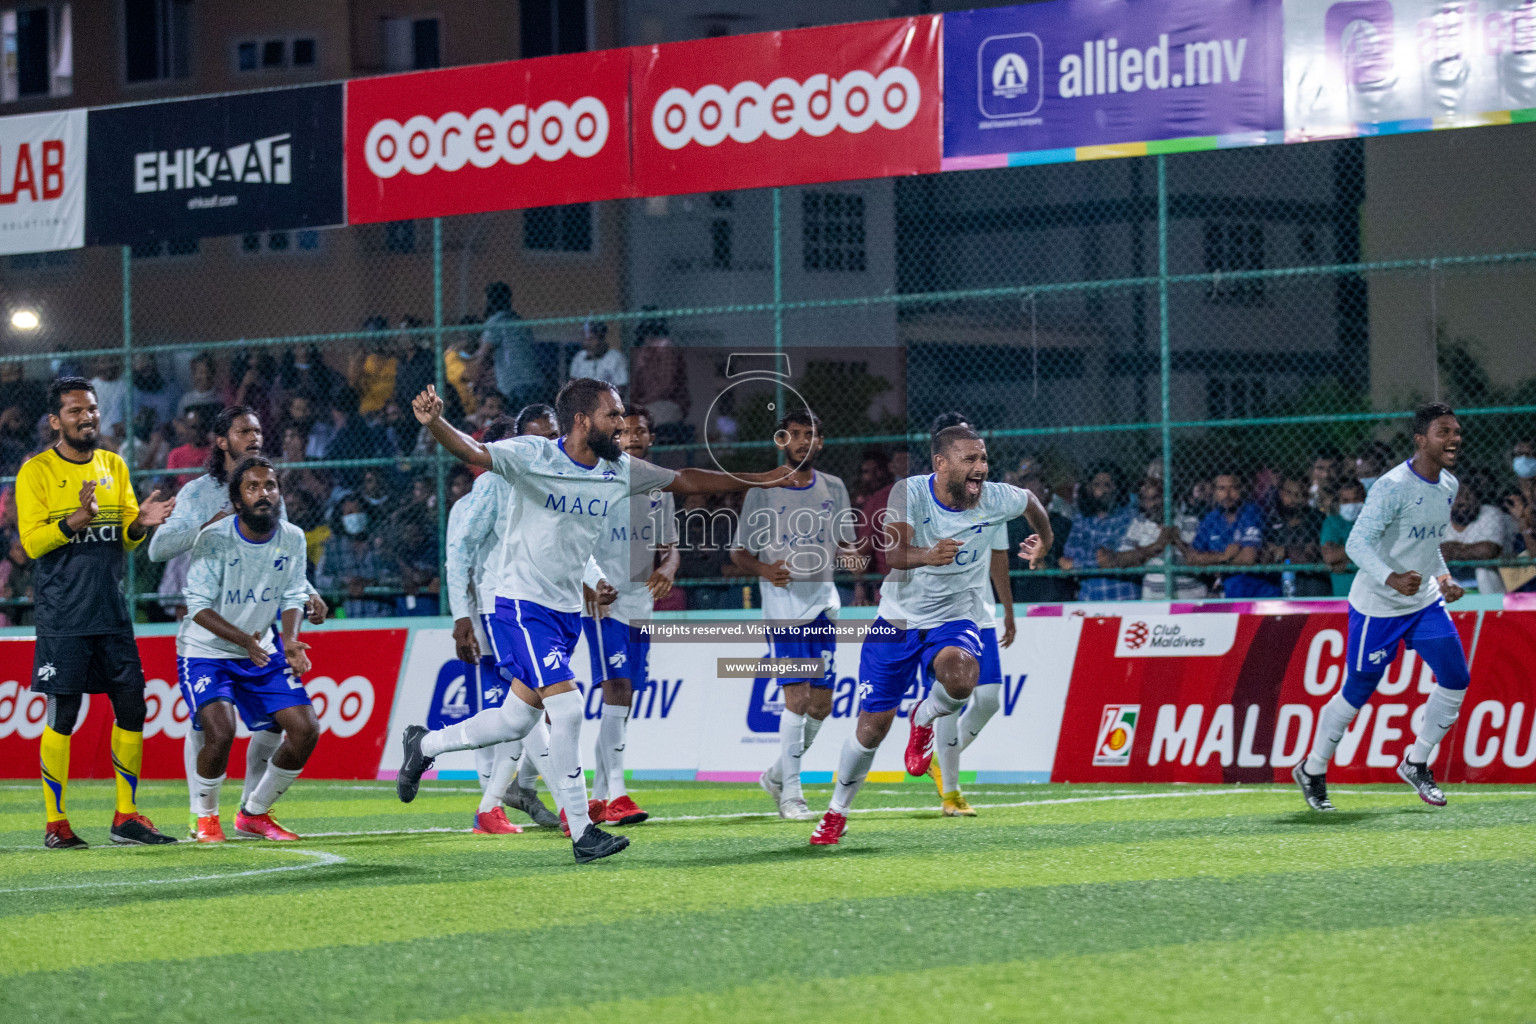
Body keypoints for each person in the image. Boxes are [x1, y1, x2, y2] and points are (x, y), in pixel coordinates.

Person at [393, 379, 794, 863]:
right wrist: (435, 421)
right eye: (613, 415)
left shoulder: (616, 469)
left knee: (514, 718)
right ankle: (584, 830)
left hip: (567, 612)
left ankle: (425, 743)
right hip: (520, 605)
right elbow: (475, 450)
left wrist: (762, 477)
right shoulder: (532, 455)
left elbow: (684, 478)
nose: (621, 424)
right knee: (567, 710)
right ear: (582, 420)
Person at [810, 425, 1051, 846]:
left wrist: (1044, 541)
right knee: (871, 729)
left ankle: (923, 717)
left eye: (983, 459)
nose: (981, 468)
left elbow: (1030, 502)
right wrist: (928, 555)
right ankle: (835, 813)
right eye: (970, 460)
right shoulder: (910, 493)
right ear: (941, 464)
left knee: (961, 677)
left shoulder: (994, 496)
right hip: (898, 621)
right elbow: (893, 555)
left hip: (955, 617)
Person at [148, 405, 327, 836]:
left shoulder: (267, 493)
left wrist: (306, 596)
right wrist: (207, 527)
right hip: (212, 626)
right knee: (214, 728)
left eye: (259, 429)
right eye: (245, 430)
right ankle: (202, 812)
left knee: (273, 727)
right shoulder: (197, 493)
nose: (256, 436)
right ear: (222, 440)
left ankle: (253, 810)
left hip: (257, 629)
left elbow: (285, 566)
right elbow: (158, 550)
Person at [17, 377, 177, 848]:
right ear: (55, 421)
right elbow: (31, 545)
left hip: (110, 609)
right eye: (74, 411)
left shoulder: (113, 465)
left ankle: (125, 816)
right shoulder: (36, 472)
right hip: (63, 613)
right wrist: (74, 521)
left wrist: (139, 526)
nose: (86, 417)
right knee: (63, 712)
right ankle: (56, 824)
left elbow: (123, 537)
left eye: (90, 409)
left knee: (132, 705)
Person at [1294, 403, 1472, 812]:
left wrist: (1442, 578)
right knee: (1358, 690)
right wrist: (1391, 579)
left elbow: (1428, 544)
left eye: (1456, 431)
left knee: (1456, 678)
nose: (1454, 438)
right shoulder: (1392, 486)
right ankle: (1313, 767)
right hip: (1378, 605)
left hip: (1423, 601)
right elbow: (1356, 544)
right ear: (1420, 439)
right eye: (1443, 432)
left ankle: (1416, 761)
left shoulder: (1448, 485)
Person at [179, 456, 321, 842]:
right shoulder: (214, 538)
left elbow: (294, 593)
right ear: (237, 500)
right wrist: (244, 640)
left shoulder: (292, 537)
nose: (264, 494)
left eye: (270, 486)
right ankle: (204, 817)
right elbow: (198, 608)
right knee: (221, 732)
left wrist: (290, 640)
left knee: (306, 730)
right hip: (206, 652)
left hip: (261, 650)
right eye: (253, 487)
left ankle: (254, 813)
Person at [730, 410, 856, 821]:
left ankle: (776, 775)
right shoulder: (762, 492)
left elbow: (846, 545)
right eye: (795, 435)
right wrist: (765, 569)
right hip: (783, 610)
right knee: (798, 699)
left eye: (811, 435)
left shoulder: (834, 488)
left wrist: (856, 555)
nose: (803, 441)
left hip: (823, 605)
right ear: (781, 441)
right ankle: (792, 795)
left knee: (821, 706)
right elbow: (738, 553)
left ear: (820, 443)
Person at [442, 415, 555, 833]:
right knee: (507, 709)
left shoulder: (539, 486)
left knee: (525, 711)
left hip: (530, 608)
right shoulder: (479, 495)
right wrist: (463, 619)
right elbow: (459, 561)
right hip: (493, 614)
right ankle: (501, 800)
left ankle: (513, 793)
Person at [578, 405, 679, 827]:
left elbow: (669, 546)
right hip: (603, 605)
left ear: (650, 439)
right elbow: (576, 542)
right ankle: (617, 793)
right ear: (614, 437)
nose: (633, 437)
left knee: (624, 698)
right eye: (625, 432)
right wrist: (593, 583)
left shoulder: (658, 488)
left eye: (641, 431)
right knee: (617, 689)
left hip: (641, 606)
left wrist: (669, 568)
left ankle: (598, 799)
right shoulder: (595, 481)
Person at [916, 413, 1014, 817]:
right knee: (953, 700)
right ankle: (952, 794)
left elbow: (999, 554)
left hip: (981, 611)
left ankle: (941, 761)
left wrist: (1008, 608)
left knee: (989, 699)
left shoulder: (988, 497)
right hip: (938, 615)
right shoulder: (923, 498)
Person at [1183, 472, 1278, 598]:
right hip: (1227, 594)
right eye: (1221, 488)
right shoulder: (1211, 519)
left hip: (1258, 595)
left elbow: (1248, 558)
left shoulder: (1251, 512)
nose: (1227, 494)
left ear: (1242, 489)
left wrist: (1210, 561)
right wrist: (1224, 556)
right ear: (1215, 492)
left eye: (1233, 488)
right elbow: (1191, 558)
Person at [1111, 477, 1199, 600]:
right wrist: (1155, 547)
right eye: (1145, 499)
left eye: (1155, 498)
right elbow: (1121, 560)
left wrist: (1178, 542)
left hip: (1189, 598)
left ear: (1169, 497)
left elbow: (1200, 561)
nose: (1150, 504)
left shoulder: (1190, 522)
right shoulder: (1139, 523)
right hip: (1152, 600)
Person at [1059, 464, 1137, 601]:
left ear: (1117, 488)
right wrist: (1103, 559)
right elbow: (1070, 553)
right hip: (1090, 597)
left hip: (1123, 596)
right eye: (1097, 485)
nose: (1103, 490)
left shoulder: (1128, 517)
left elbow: (1121, 556)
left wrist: (1079, 564)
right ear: (1089, 488)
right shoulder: (1081, 520)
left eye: (1108, 485)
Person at [1440, 469, 1514, 596]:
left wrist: (1451, 549)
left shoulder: (1490, 513)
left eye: (1467, 495)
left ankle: (1492, 610)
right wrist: (1471, 550)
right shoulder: (1440, 518)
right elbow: (1435, 553)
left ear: (1477, 497)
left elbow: (1488, 551)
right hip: (1451, 585)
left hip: (1486, 588)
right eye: (1457, 495)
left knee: (1483, 569)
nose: (1462, 501)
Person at [1007, 470, 1075, 602]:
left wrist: (1047, 563)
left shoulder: (1061, 524)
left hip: (1056, 592)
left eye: (1040, 490)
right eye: (1030, 490)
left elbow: (1067, 560)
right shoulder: (1012, 525)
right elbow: (1004, 559)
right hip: (1021, 593)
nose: (1035, 496)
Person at [1263, 474, 1331, 596]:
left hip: (1312, 583)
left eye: (1299, 494)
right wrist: (1290, 552)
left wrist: (1284, 551)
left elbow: (1308, 556)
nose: (1294, 499)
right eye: (1288, 493)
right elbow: (1265, 556)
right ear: (1280, 493)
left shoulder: (1316, 518)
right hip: (1278, 584)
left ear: (1306, 496)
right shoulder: (1273, 519)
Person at [479, 282, 543, 408]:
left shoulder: (496, 321)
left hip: (515, 386)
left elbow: (482, 355)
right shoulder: (518, 320)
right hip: (535, 382)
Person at [1321, 479, 1366, 596]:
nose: (1351, 505)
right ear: (1339, 503)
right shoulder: (1332, 522)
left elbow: (1380, 549)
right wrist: (1364, 551)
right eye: (1346, 501)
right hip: (1343, 596)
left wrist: (1343, 554)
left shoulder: (1372, 521)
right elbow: (1330, 556)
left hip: (1370, 596)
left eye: (1356, 499)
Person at [569, 320, 627, 393]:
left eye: (591, 339)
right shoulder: (579, 357)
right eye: (584, 339)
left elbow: (621, 387)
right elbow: (572, 383)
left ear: (601, 339)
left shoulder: (615, 358)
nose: (587, 343)